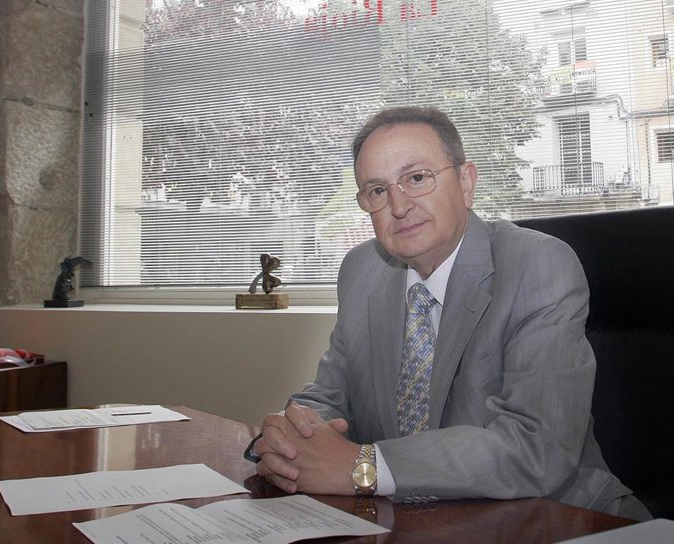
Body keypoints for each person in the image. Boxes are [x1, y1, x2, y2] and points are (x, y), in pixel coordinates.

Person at [249, 106, 648, 519]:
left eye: (417, 178)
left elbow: (535, 446)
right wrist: (289, 437)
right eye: (377, 190)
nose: (398, 206)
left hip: (557, 517)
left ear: (466, 182)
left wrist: (365, 467)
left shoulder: (537, 264)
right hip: (412, 521)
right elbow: (330, 394)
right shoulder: (362, 270)